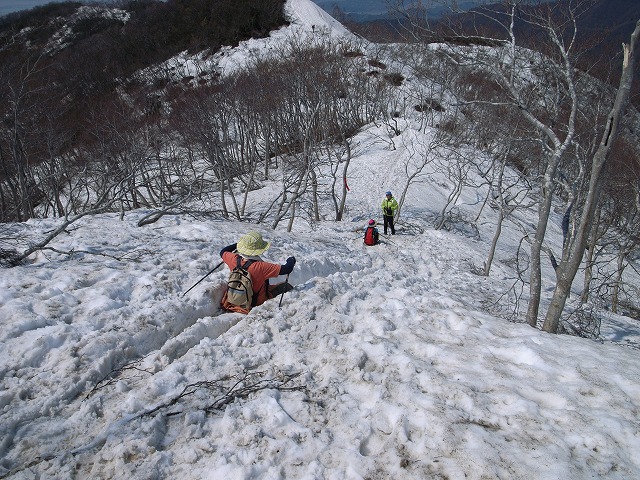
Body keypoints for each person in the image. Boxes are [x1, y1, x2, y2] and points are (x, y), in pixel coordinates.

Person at [219, 231, 295, 314]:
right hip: (254, 303)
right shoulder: (261, 266)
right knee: (286, 286)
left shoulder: (233, 259)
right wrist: (291, 260)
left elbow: (223, 251)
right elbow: (287, 269)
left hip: (232, 299)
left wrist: (239, 244)